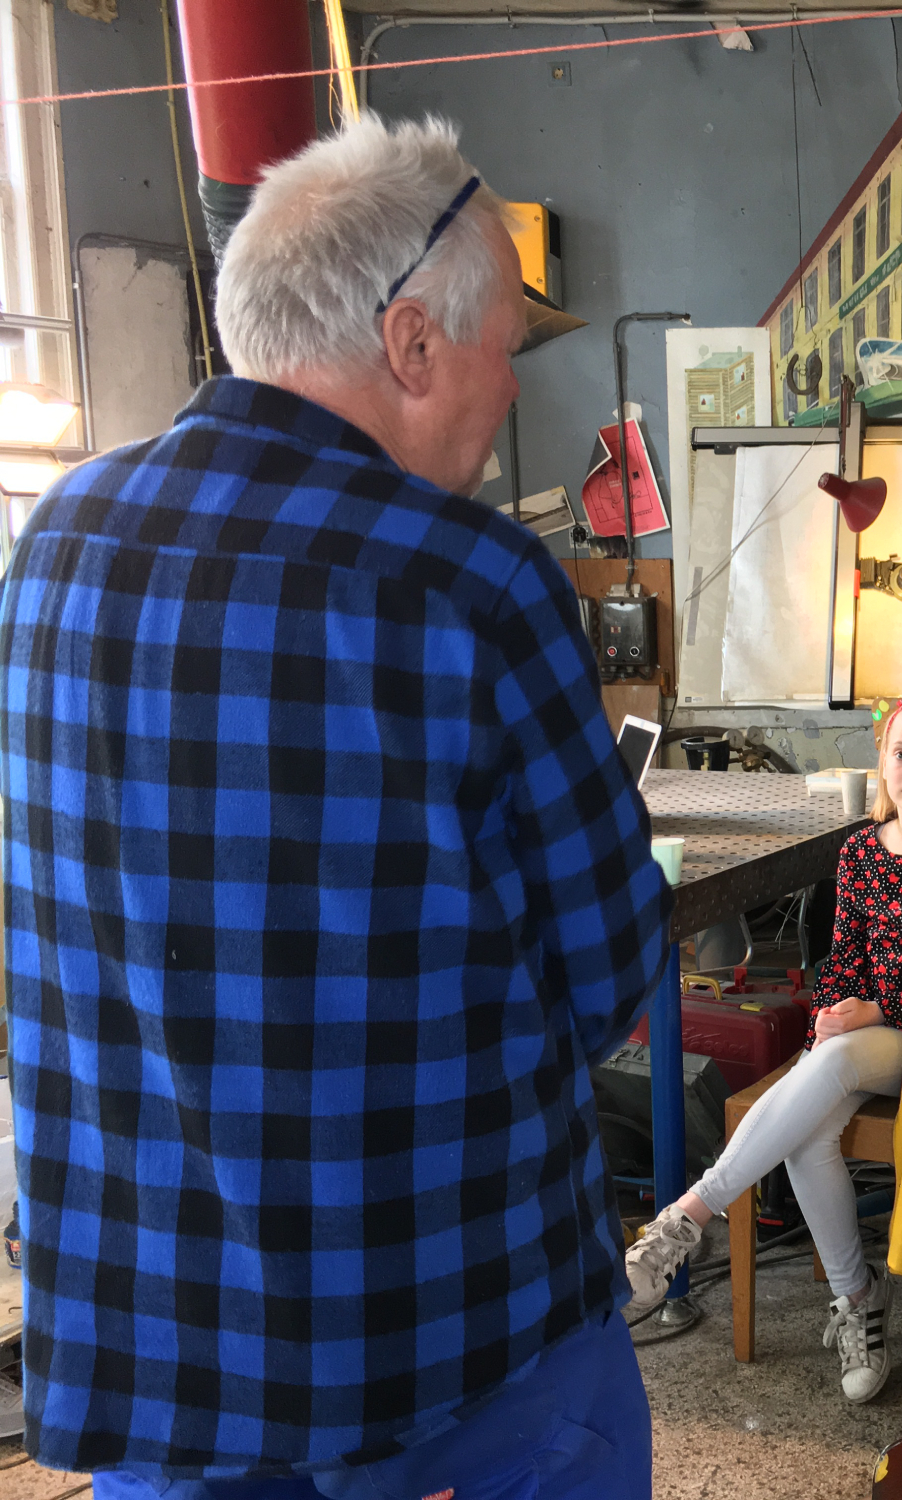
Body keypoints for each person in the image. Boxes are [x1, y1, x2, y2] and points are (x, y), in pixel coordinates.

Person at [0, 116, 667, 1495]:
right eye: (505, 350)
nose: (509, 391)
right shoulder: (474, 581)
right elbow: (609, 972)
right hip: (448, 1337)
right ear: (413, 340)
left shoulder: (51, 545)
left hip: (158, 1344)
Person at [624, 693, 902, 1401]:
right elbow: (842, 961)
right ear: (881, 762)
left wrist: (876, 1011)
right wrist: (828, 1017)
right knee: (810, 1131)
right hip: (864, 1044)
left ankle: (689, 1215)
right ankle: (858, 1297)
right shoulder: (861, 851)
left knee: (831, 1064)